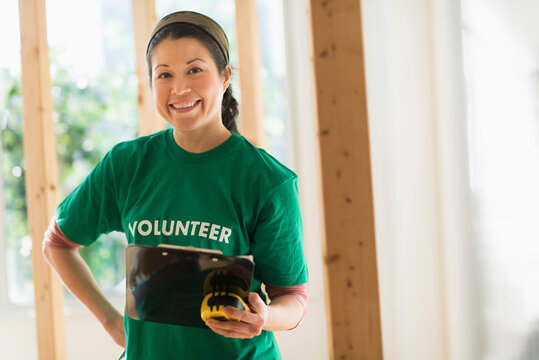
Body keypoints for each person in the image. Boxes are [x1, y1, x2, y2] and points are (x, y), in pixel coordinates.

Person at [42, 10, 309, 360]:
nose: (179, 88)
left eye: (195, 70)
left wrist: (265, 317)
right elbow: (58, 242)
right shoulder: (127, 164)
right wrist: (110, 322)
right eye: (164, 74)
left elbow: (293, 296)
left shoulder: (267, 181)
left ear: (225, 76)